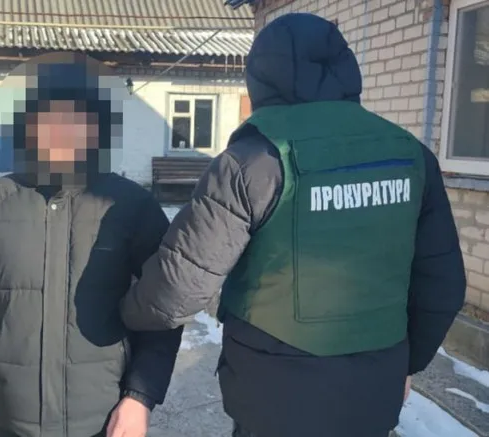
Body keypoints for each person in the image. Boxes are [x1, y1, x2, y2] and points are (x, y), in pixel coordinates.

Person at [120, 13, 466, 437]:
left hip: (272, 398)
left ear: (261, 78)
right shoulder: (412, 155)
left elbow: (176, 290)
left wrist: (121, 310)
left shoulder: (253, 161)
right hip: (374, 394)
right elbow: (443, 286)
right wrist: (405, 364)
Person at [0, 54, 183, 437]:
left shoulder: (131, 206)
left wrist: (140, 395)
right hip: (12, 422)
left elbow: (164, 304)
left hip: (103, 420)